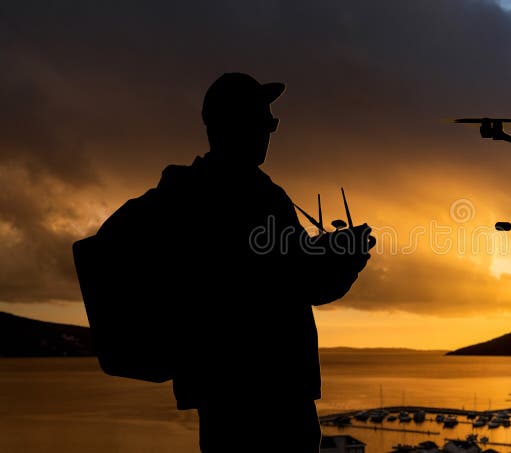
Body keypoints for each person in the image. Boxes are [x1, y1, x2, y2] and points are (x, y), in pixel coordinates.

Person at [96, 72, 373, 452]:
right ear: (235, 124)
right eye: (265, 120)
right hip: (275, 396)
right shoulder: (259, 198)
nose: (270, 131)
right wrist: (347, 257)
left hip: (222, 398)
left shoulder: (181, 191)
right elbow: (305, 283)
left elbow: (109, 241)